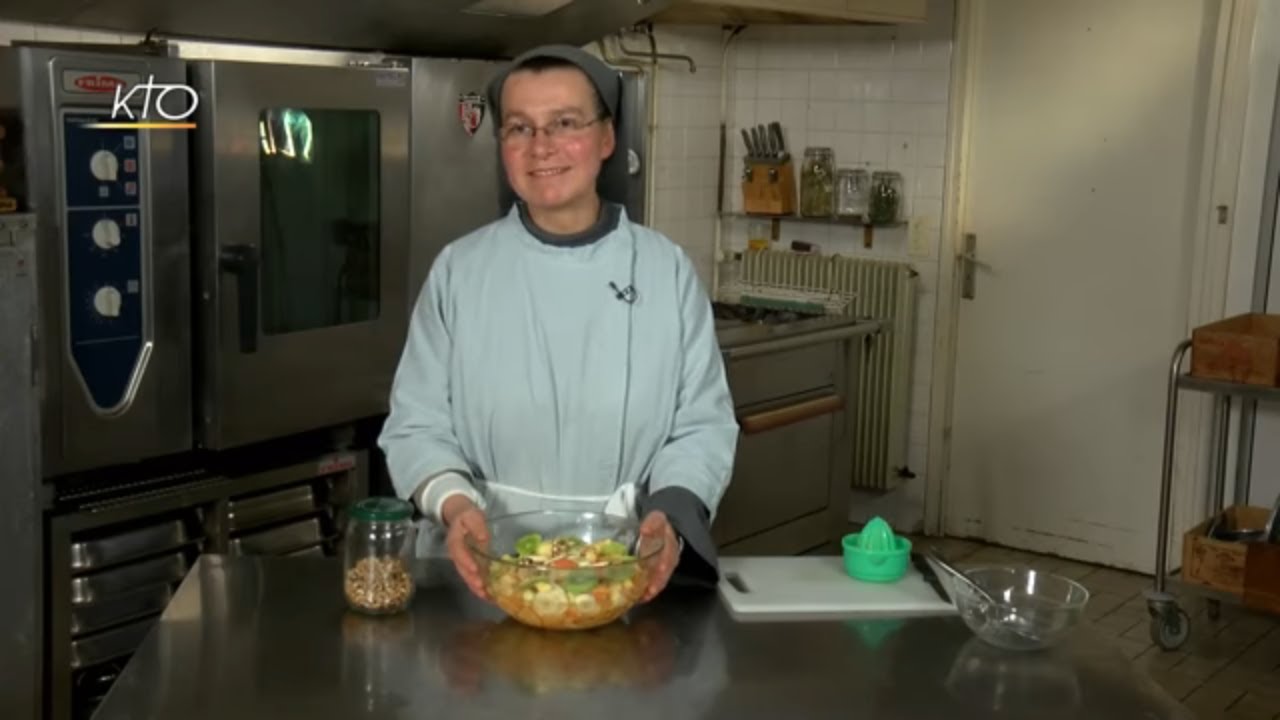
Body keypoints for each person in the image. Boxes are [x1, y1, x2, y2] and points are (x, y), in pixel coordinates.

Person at [377, 44, 738, 603]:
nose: (540, 147)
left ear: (606, 138)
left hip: (623, 573)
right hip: (480, 574)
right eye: (519, 128)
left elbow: (702, 425)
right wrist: (454, 502)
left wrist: (670, 512)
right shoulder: (460, 269)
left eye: (564, 123)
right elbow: (416, 424)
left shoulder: (664, 269)